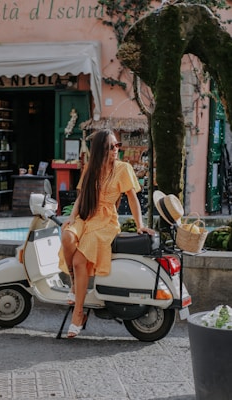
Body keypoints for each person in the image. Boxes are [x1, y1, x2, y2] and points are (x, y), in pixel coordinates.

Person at [58, 129, 155, 338]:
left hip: (106, 222)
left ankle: (78, 313)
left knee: (79, 260)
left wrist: (140, 225)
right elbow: (81, 197)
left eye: (117, 145)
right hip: (86, 217)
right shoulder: (89, 169)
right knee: (66, 236)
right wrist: (72, 218)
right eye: (111, 146)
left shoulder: (123, 168)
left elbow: (132, 198)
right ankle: (74, 283)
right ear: (101, 150)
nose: (116, 150)